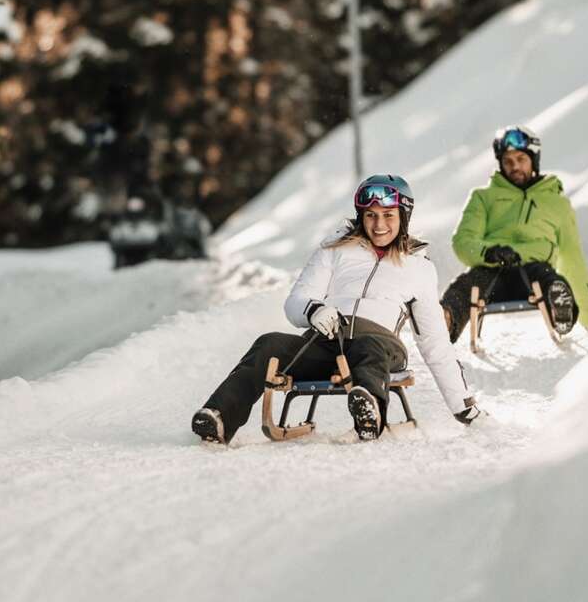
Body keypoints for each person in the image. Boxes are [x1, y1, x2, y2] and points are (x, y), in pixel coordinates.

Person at [191, 174, 481, 445]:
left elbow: (434, 343)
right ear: (361, 216)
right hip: (327, 341)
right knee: (270, 343)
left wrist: (462, 407)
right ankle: (218, 417)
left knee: (369, 348)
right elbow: (296, 300)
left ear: (404, 217)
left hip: (380, 345)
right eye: (371, 215)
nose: (379, 225)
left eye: (388, 216)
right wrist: (313, 310)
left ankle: (370, 413)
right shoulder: (336, 249)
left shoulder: (419, 268)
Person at [440, 125, 588, 343]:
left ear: (534, 159)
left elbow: (572, 258)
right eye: (508, 161)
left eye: (521, 159)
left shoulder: (557, 203)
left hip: (534, 270)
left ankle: (561, 310)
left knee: (551, 279)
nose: (515, 166)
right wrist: (489, 252)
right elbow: (462, 241)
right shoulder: (483, 197)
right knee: (467, 284)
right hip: (491, 271)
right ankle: (444, 321)